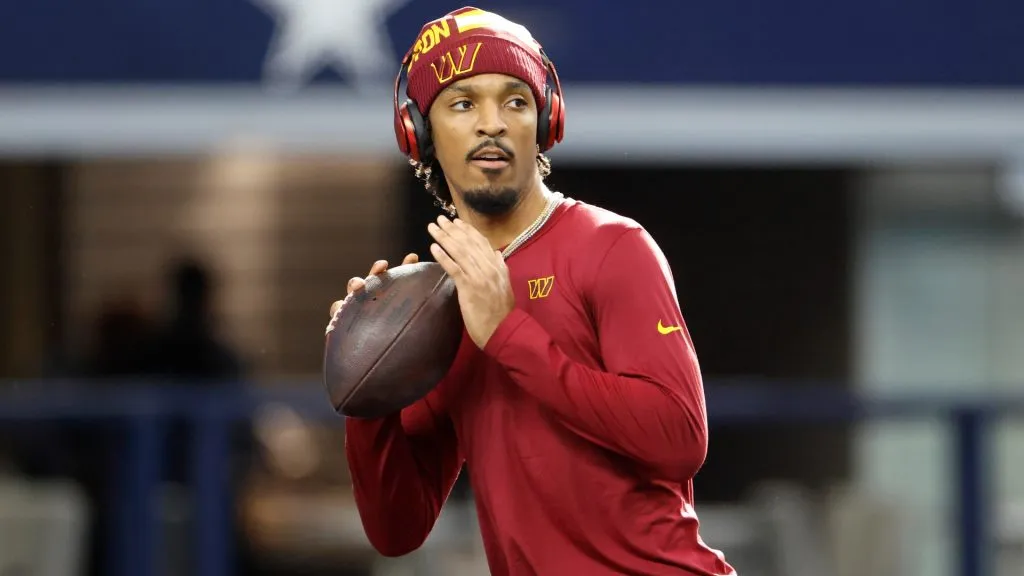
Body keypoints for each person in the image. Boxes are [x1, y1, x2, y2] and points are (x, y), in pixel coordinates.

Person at [330, 7, 735, 575]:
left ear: (544, 122)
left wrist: (507, 333)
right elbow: (398, 530)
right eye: (463, 103)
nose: (491, 123)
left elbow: (680, 440)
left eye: (515, 101)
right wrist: (366, 388)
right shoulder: (441, 305)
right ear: (418, 130)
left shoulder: (613, 247)